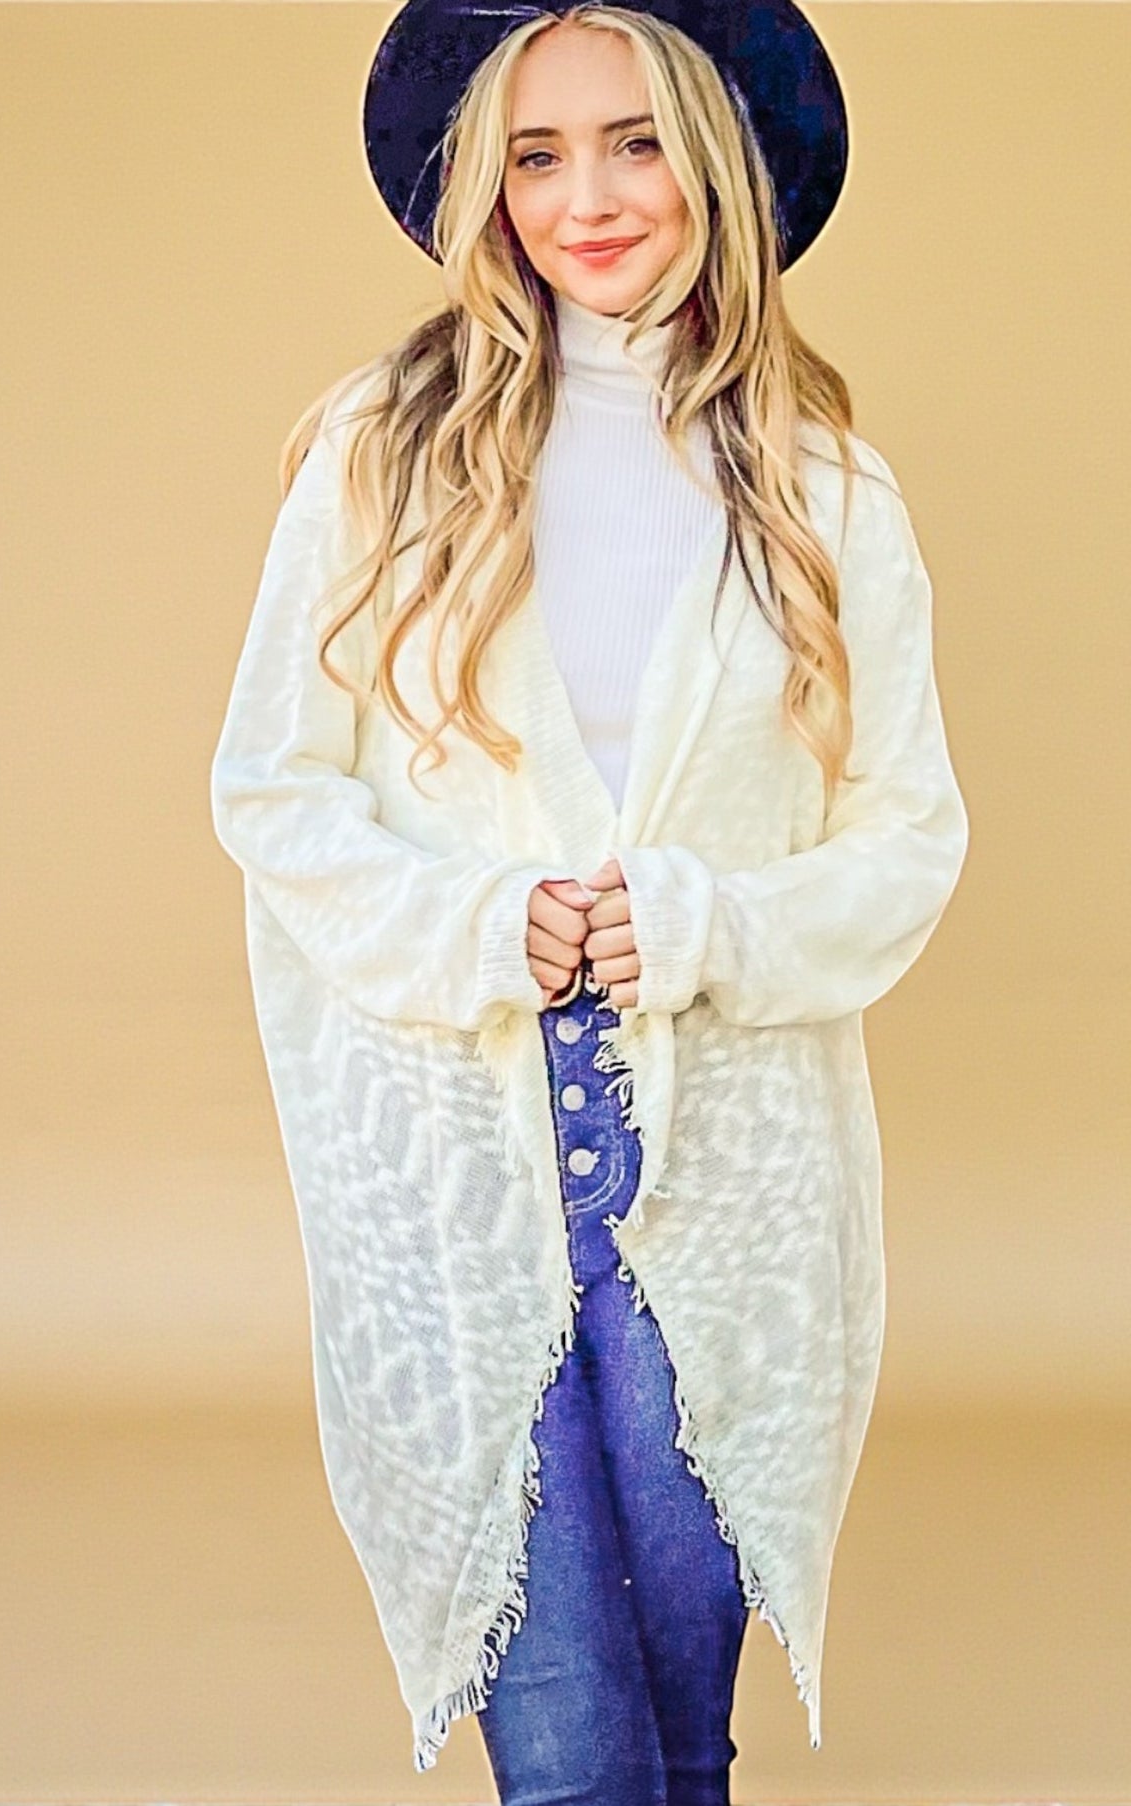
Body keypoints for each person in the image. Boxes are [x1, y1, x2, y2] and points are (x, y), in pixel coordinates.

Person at [209, 1, 970, 1797]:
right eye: (535, 156)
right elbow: (271, 789)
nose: (588, 199)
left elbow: (905, 835)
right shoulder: (383, 452)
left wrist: (710, 927)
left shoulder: (824, 488)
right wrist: (481, 926)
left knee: (683, 1743)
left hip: (721, 1180)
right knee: (567, 1755)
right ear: (484, 188)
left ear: (716, 162)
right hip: (461, 1164)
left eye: (634, 143)